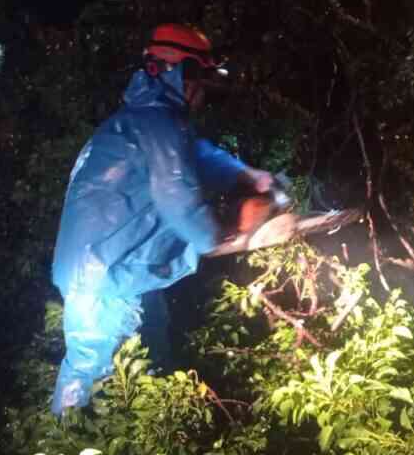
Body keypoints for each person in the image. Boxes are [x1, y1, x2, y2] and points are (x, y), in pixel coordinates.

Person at [49, 23, 277, 416]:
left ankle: (157, 447)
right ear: (177, 75)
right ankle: (67, 446)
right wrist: (235, 228)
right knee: (92, 380)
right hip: (105, 280)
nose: (203, 95)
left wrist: (249, 176)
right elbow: (182, 203)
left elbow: (197, 155)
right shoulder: (157, 125)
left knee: (151, 365)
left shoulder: (143, 122)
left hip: (116, 273)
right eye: (200, 83)